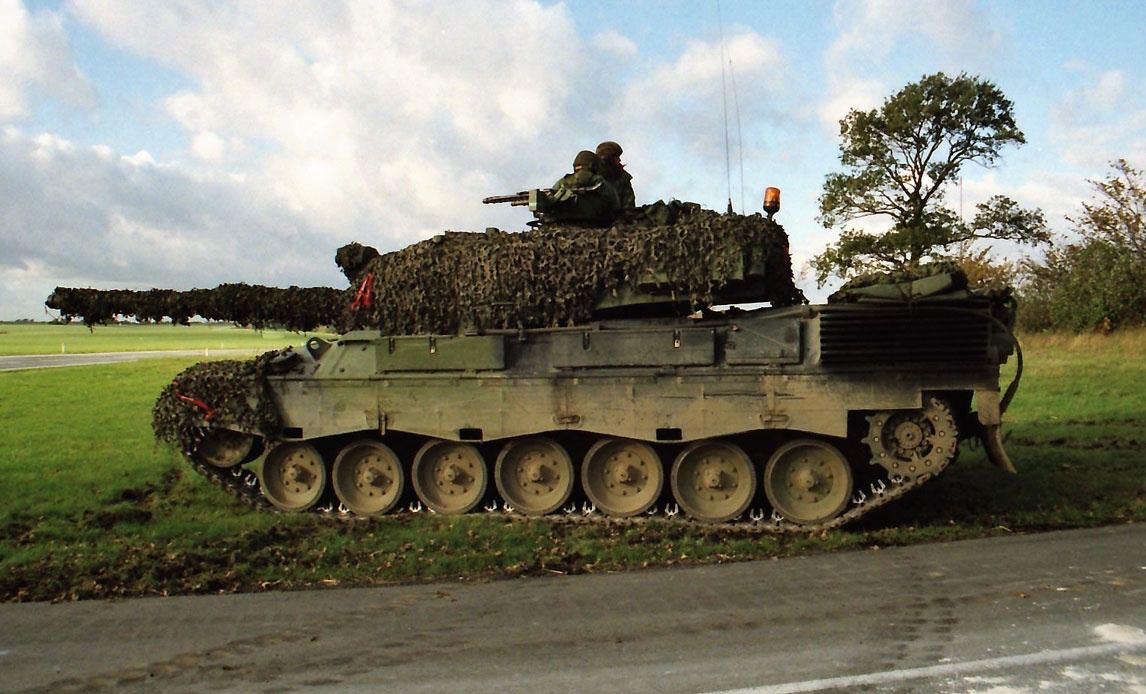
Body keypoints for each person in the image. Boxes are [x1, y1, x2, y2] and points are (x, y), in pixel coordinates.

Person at [542, 150, 620, 226]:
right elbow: (615, 206)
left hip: (564, 224)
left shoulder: (562, 182)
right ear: (594, 165)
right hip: (597, 224)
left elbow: (549, 204)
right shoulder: (601, 182)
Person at [595, 140, 635, 210]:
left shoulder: (623, 179)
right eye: (616, 157)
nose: (619, 160)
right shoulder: (592, 177)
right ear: (607, 158)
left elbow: (629, 208)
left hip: (618, 219)